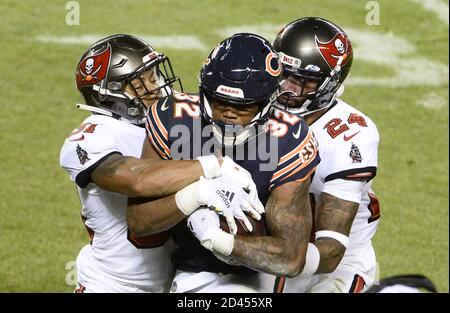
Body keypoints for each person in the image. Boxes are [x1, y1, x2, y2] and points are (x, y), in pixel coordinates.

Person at [60, 34, 260, 293]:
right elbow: (135, 179)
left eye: (155, 76)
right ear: (109, 93)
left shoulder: (170, 120)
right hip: (112, 284)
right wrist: (212, 167)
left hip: (175, 280)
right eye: (143, 84)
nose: (159, 87)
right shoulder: (94, 135)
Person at [127, 33, 321, 293]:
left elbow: (290, 257)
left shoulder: (289, 139)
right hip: (195, 268)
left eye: (243, 106)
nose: (229, 113)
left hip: (268, 273)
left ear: (267, 103)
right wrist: (195, 195)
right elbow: (139, 221)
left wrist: (218, 239)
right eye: (221, 102)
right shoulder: (172, 116)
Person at [267, 17, 381, 292]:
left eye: (303, 80)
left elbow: (331, 249)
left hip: (335, 259)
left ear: (330, 83)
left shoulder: (351, 133)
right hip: (274, 248)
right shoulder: (256, 109)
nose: (287, 87)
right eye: (284, 73)